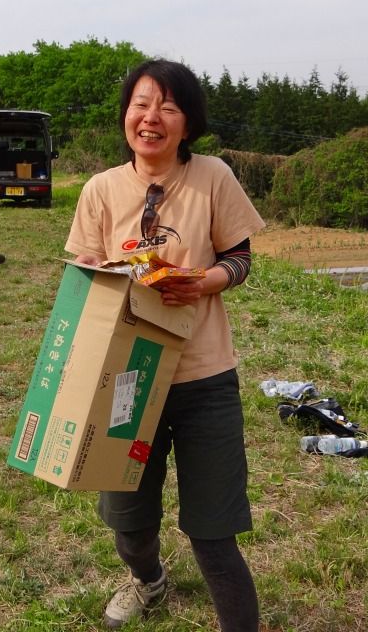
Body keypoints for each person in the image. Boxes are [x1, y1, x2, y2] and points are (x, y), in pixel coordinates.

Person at [65, 60, 265, 631]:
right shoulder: (101, 189)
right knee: (128, 520)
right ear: (127, 114)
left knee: (213, 534)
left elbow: (240, 257)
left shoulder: (213, 176)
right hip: (126, 376)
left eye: (168, 107)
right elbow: (82, 268)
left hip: (204, 375)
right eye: (141, 104)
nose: (151, 118)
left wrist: (203, 281)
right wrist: (94, 272)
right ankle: (148, 580)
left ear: (186, 123)